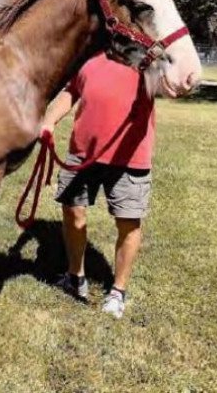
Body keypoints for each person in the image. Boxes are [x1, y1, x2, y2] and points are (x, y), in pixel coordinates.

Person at [42, 50, 155, 318]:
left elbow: (177, 83)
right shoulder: (90, 53)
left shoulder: (149, 57)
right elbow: (72, 90)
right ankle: (75, 276)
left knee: (128, 222)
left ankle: (118, 291)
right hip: (83, 153)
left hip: (130, 156)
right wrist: (49, 120)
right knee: (72, 211)